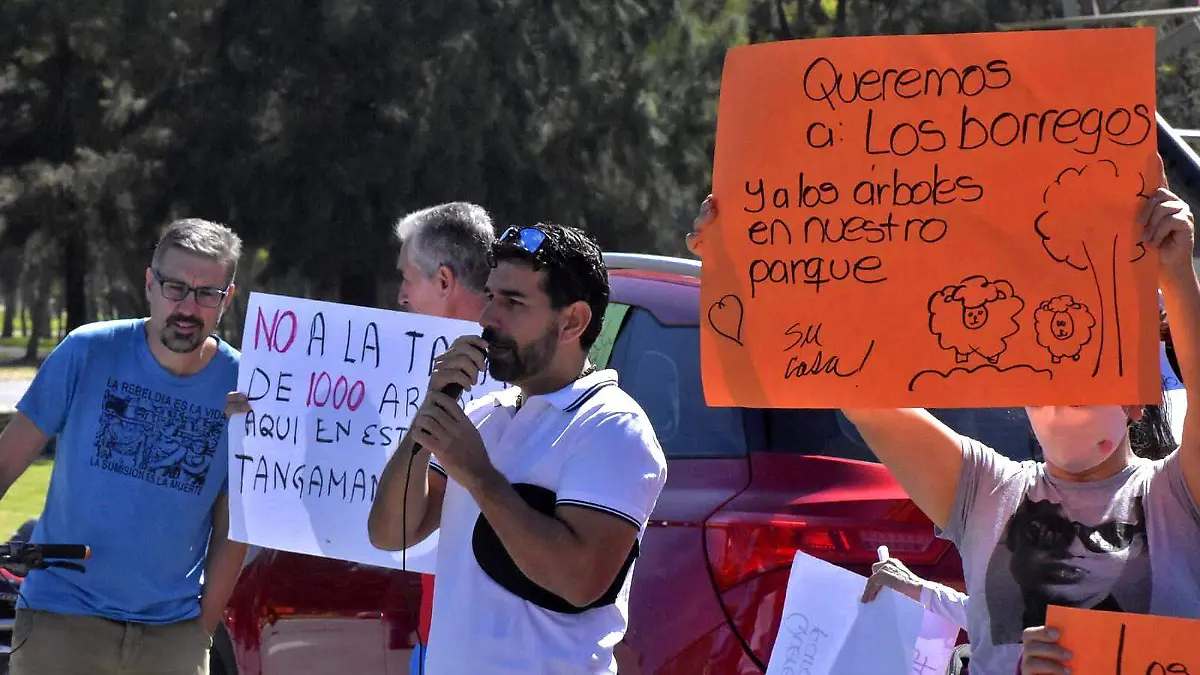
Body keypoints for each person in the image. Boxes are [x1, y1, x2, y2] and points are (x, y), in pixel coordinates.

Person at [687, 171, 1200, 675]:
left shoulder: (1175, 497)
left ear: (1137, 398)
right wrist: (741, 268)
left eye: (1082, 367)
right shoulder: (986, 489)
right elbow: (842, 380)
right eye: (1043, 367)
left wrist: (1177, 274)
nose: (1059, 388)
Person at [367, 222, 668, 674]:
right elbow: (391, 533)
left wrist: (479, 475)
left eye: (513, 302)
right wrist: (429, 414)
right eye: (490, 297)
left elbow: (579, 580)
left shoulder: (613, 427)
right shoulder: (486, 414)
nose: (488, 317)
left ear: (573, 321)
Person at [225, 201, 496, 673]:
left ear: (445, 281)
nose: (401, 297)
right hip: (435, 638)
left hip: (493, 646)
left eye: (407, 278)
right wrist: (259, 417)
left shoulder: (514, 377)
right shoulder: (420, 367)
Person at [0, 219, 248, 675]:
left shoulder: (245, 389)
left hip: (172, 635)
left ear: (226, 299)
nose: (188, 307)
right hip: (61, 621)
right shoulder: (88, 351)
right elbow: (6, 461)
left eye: (206, 294)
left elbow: (234, 525)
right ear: (150, 284)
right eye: (175, 287)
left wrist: (201, 627)